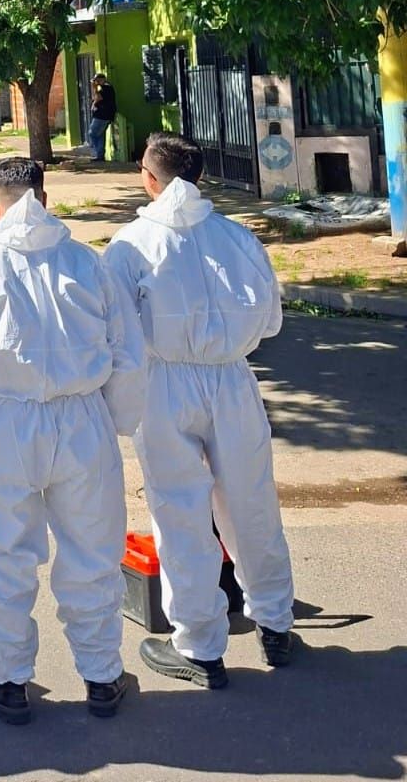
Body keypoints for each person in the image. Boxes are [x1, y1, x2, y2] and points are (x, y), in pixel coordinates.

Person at [0, 158, 146, 724]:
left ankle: (6, 676)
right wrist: (114, 420)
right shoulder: (87, 263)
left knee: (2, 551)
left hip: (3, 421)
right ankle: (100, 673)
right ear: (44, 196)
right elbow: (128, 353)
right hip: (82, 418)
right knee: (93, 550)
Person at [104, 133, 294, 689]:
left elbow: (117, 331)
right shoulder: (238, 238)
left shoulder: (131, 243)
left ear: (150, 177)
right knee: (250, 502)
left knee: (179, 511)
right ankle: (275, 624)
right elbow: (271, 321)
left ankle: (200, 646)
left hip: (163, 383)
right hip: (232, 380)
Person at [87, 73, 116, 162]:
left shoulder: (107, 87)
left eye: (97, 80)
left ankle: (97, 152)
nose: (96, 82)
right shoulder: (103, 88)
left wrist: (94, 88)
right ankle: (100, 155)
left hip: (103, 115)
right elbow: (96, 98)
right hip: (101, 114)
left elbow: (99, 97)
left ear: (102, 79)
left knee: (92, 133)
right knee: (100, 135)